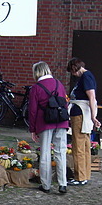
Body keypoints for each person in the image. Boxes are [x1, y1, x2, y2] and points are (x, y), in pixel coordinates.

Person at [27, 61, 69, 195]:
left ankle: (46, 185)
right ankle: (63, 184)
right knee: (61, 152)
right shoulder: (59, 84)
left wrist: (32, 129)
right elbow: (65, 103)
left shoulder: (36, 88)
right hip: (61, 122)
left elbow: (32, 110)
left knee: (45, 154)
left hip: (44, 123)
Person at [65, 57, 100, 185]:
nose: (73, 75)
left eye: (72, 72)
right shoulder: (87, 76)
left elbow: (91, 97)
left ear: (75, 69)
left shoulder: (85, 77)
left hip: (80, 114)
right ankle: (84, 174)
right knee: (85, 145)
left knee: (78, 146)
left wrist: (93, 116)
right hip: (82, 113)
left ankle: (79, 176)